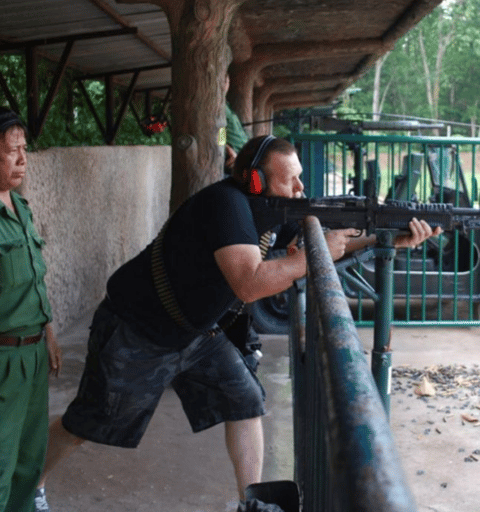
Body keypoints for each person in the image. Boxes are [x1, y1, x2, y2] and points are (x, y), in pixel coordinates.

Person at [36, 135, 441, 511]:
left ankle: (251, 504)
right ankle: (30, 487)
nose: (302, 190)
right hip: (138, 329)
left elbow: (322, 246)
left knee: (245, 400)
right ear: (255, 180)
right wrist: (304, 260)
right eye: (292, 180)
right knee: (88, 421)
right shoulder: (226, 204)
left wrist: (384, 239)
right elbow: (249, 284)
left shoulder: (262, 209)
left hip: (192, 331)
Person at [0, 106, 62, 512]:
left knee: (27, 467)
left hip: (33, 357)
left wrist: (50, 334)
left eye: (24, 149)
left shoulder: (19, 208)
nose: (23, 159)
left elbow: (34, 280)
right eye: (11, 150)